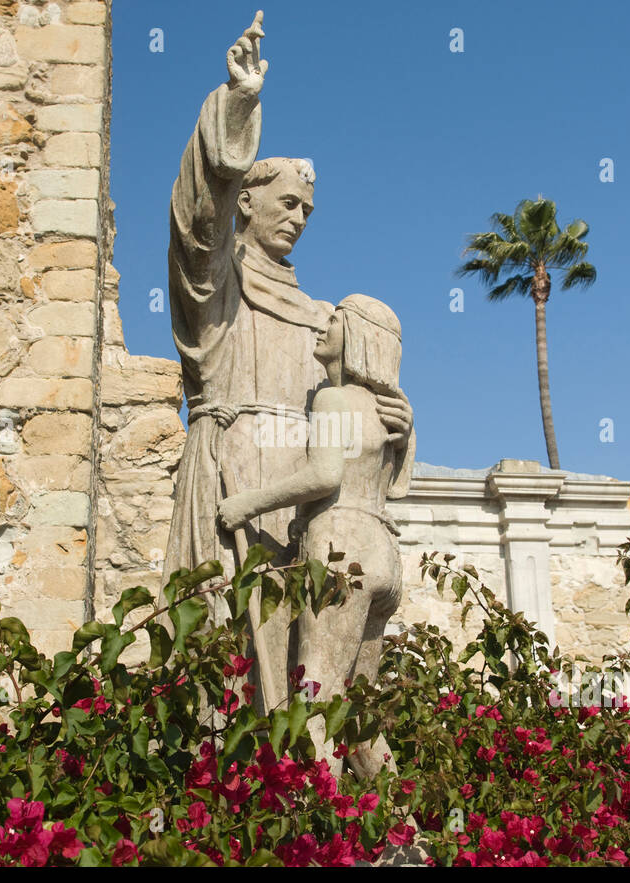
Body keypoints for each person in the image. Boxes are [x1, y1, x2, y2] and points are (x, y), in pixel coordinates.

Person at [164, 12, 411, 712]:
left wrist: (397, 422)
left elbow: (351, 433)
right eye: (288, 202)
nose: (300, 218)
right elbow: (196, 228)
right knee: (226, 662)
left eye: (308, 209)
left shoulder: (324, 316)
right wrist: (238, 106)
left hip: (302, 503)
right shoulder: (220, 286)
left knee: (303, 673)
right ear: (247, 199)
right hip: (233, 474)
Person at [219, 295, 405, 777]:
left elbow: (325, 475)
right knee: (356, 708)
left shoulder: (332, 398)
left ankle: (312, 811)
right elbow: (397, 487)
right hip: (383, 551)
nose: (323, 327)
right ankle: (402, 818)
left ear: (358, 337)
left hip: (340, 545)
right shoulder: (389, 410)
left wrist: (249, 503)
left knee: (314, 692)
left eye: (335, 320)